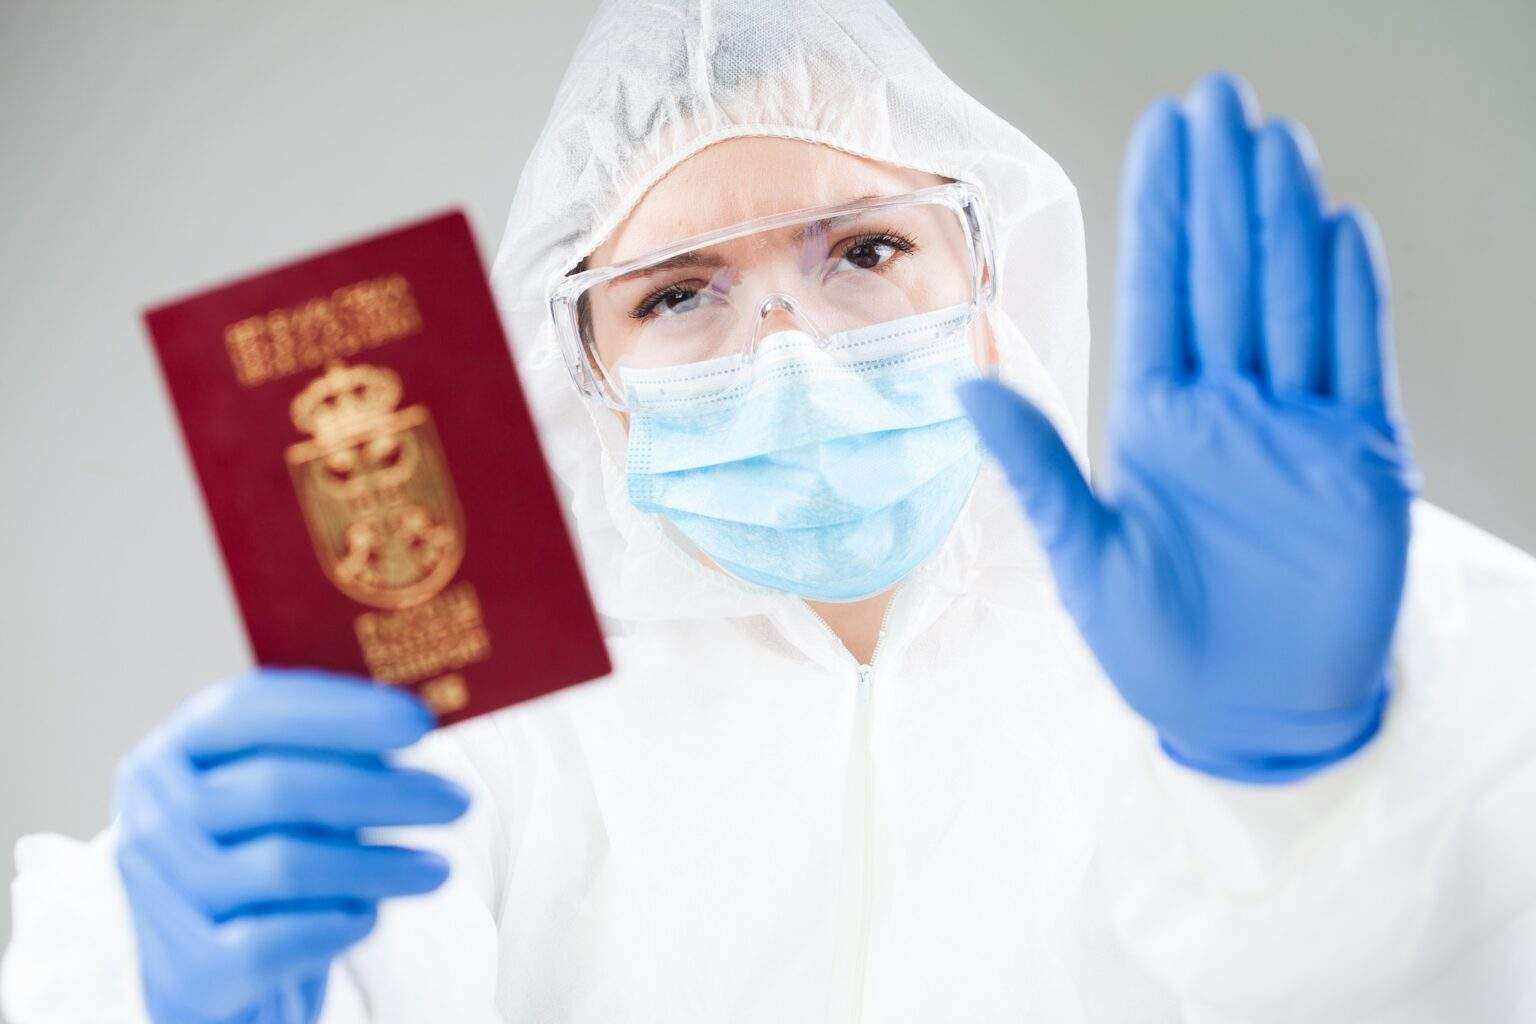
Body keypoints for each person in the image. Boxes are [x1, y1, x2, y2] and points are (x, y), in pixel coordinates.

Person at [5, 0, 1536, 1020]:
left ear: (989, 282)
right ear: (585, 377)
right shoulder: (489, 734)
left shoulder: (1234, 608)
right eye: (678, 293)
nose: (790, 349)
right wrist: (154, 989)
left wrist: (1311, 782)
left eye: (864, 251)